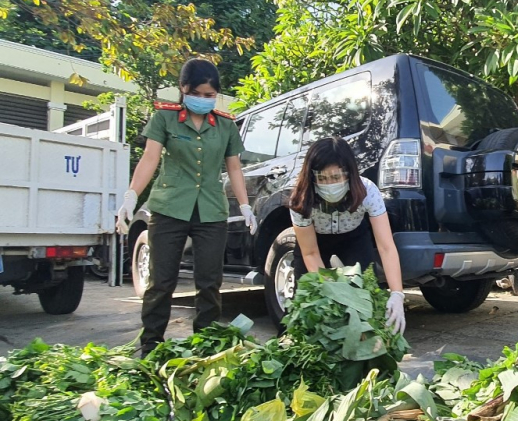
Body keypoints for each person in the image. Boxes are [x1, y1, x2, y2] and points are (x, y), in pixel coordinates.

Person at [116, 58, 257, 356]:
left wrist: (245, 206)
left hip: (211, 210)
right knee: (161, 280)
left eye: (210, 95)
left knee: (209, 281)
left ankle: (205, 343)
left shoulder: (225, 124)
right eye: (199, 93)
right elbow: (150, 159)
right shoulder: (164, 119)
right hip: (169, 207)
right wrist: (131, 195)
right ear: (183, 88)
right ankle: (152, 342)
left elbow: (234, 168)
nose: (205, 100)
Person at [288, 136, 406, 334]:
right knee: (310, 306)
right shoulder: (301, 198)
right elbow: (310, 253)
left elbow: (386, 247)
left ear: (349, 173)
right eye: (322, 178)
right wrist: (332, 292)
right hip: (316, 243)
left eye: (336, 177)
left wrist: (397, 293)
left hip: (355, 238)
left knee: (365, 300)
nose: (329, 184)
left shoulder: (368, 191)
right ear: (312, 176)